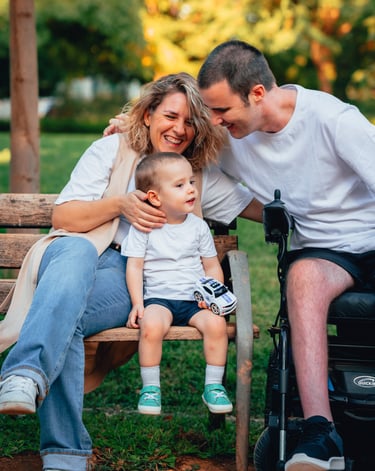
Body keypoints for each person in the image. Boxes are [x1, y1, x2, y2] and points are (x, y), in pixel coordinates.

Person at [0, 72, 262, 471]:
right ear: (147, 114)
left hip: (129, 275)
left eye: (191, 121)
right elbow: (63, 216)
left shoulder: (196, 175)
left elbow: (257, 208)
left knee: (64, 316)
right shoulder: (112, 150)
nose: (179, 129)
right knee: (73, 250)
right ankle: (30, 381)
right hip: (77, 254)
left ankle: (48, 424)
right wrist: (120, 205)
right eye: (171, 116)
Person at [197, 40, 375, 471]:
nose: (215, 122)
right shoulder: (226, 138)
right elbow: (170, 155)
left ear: (257, 93)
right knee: (303, 277)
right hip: (324, 249)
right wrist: (126, 130)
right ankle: (319, 432)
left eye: (222, 111)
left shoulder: (333, 120)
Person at [123, 151, 234, 416]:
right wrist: (138, 303)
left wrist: (212, 296)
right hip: (159, 300)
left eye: (191, 183)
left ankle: (213, 387)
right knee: (150, 325)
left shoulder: (197, 227)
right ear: (154, 197)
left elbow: (211, 265)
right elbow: (134, 266)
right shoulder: (144, 227)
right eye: (180, 185)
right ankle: (150, 388)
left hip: (195, 301)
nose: (190, 190)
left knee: (217, 325)